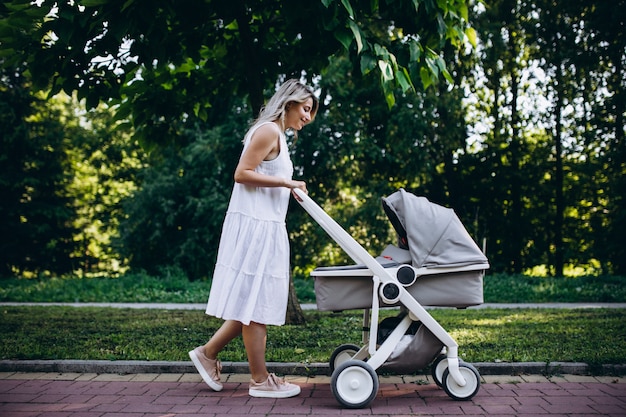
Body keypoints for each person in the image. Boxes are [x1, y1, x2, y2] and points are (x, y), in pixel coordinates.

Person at [189, 79, 319, 399]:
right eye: (305, 108)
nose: (308, 116)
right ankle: (260, 381)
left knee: (250, 302)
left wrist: (287, 186)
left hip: (266, 224)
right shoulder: (269, 131)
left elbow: (262, 174)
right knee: (256, 306)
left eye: (311, 111)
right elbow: (241, 173)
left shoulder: (276, 135)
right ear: (289, 103)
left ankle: (207, 354)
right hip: (256, 227)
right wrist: (287, 184)